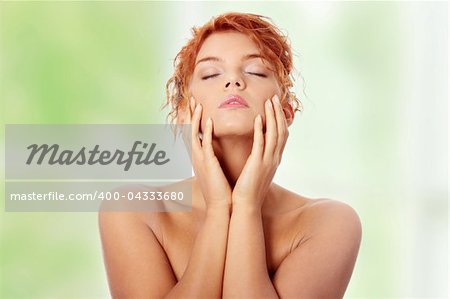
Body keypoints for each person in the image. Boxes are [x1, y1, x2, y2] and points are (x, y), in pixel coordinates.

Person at [99, 12, 362, 298]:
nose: (234, 81)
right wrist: (218, 208)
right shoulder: (133, 210)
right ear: (182, 113)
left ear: (287, 112)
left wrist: (247, 205)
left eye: (256, 71)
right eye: (211, 73)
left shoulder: (329, 222)